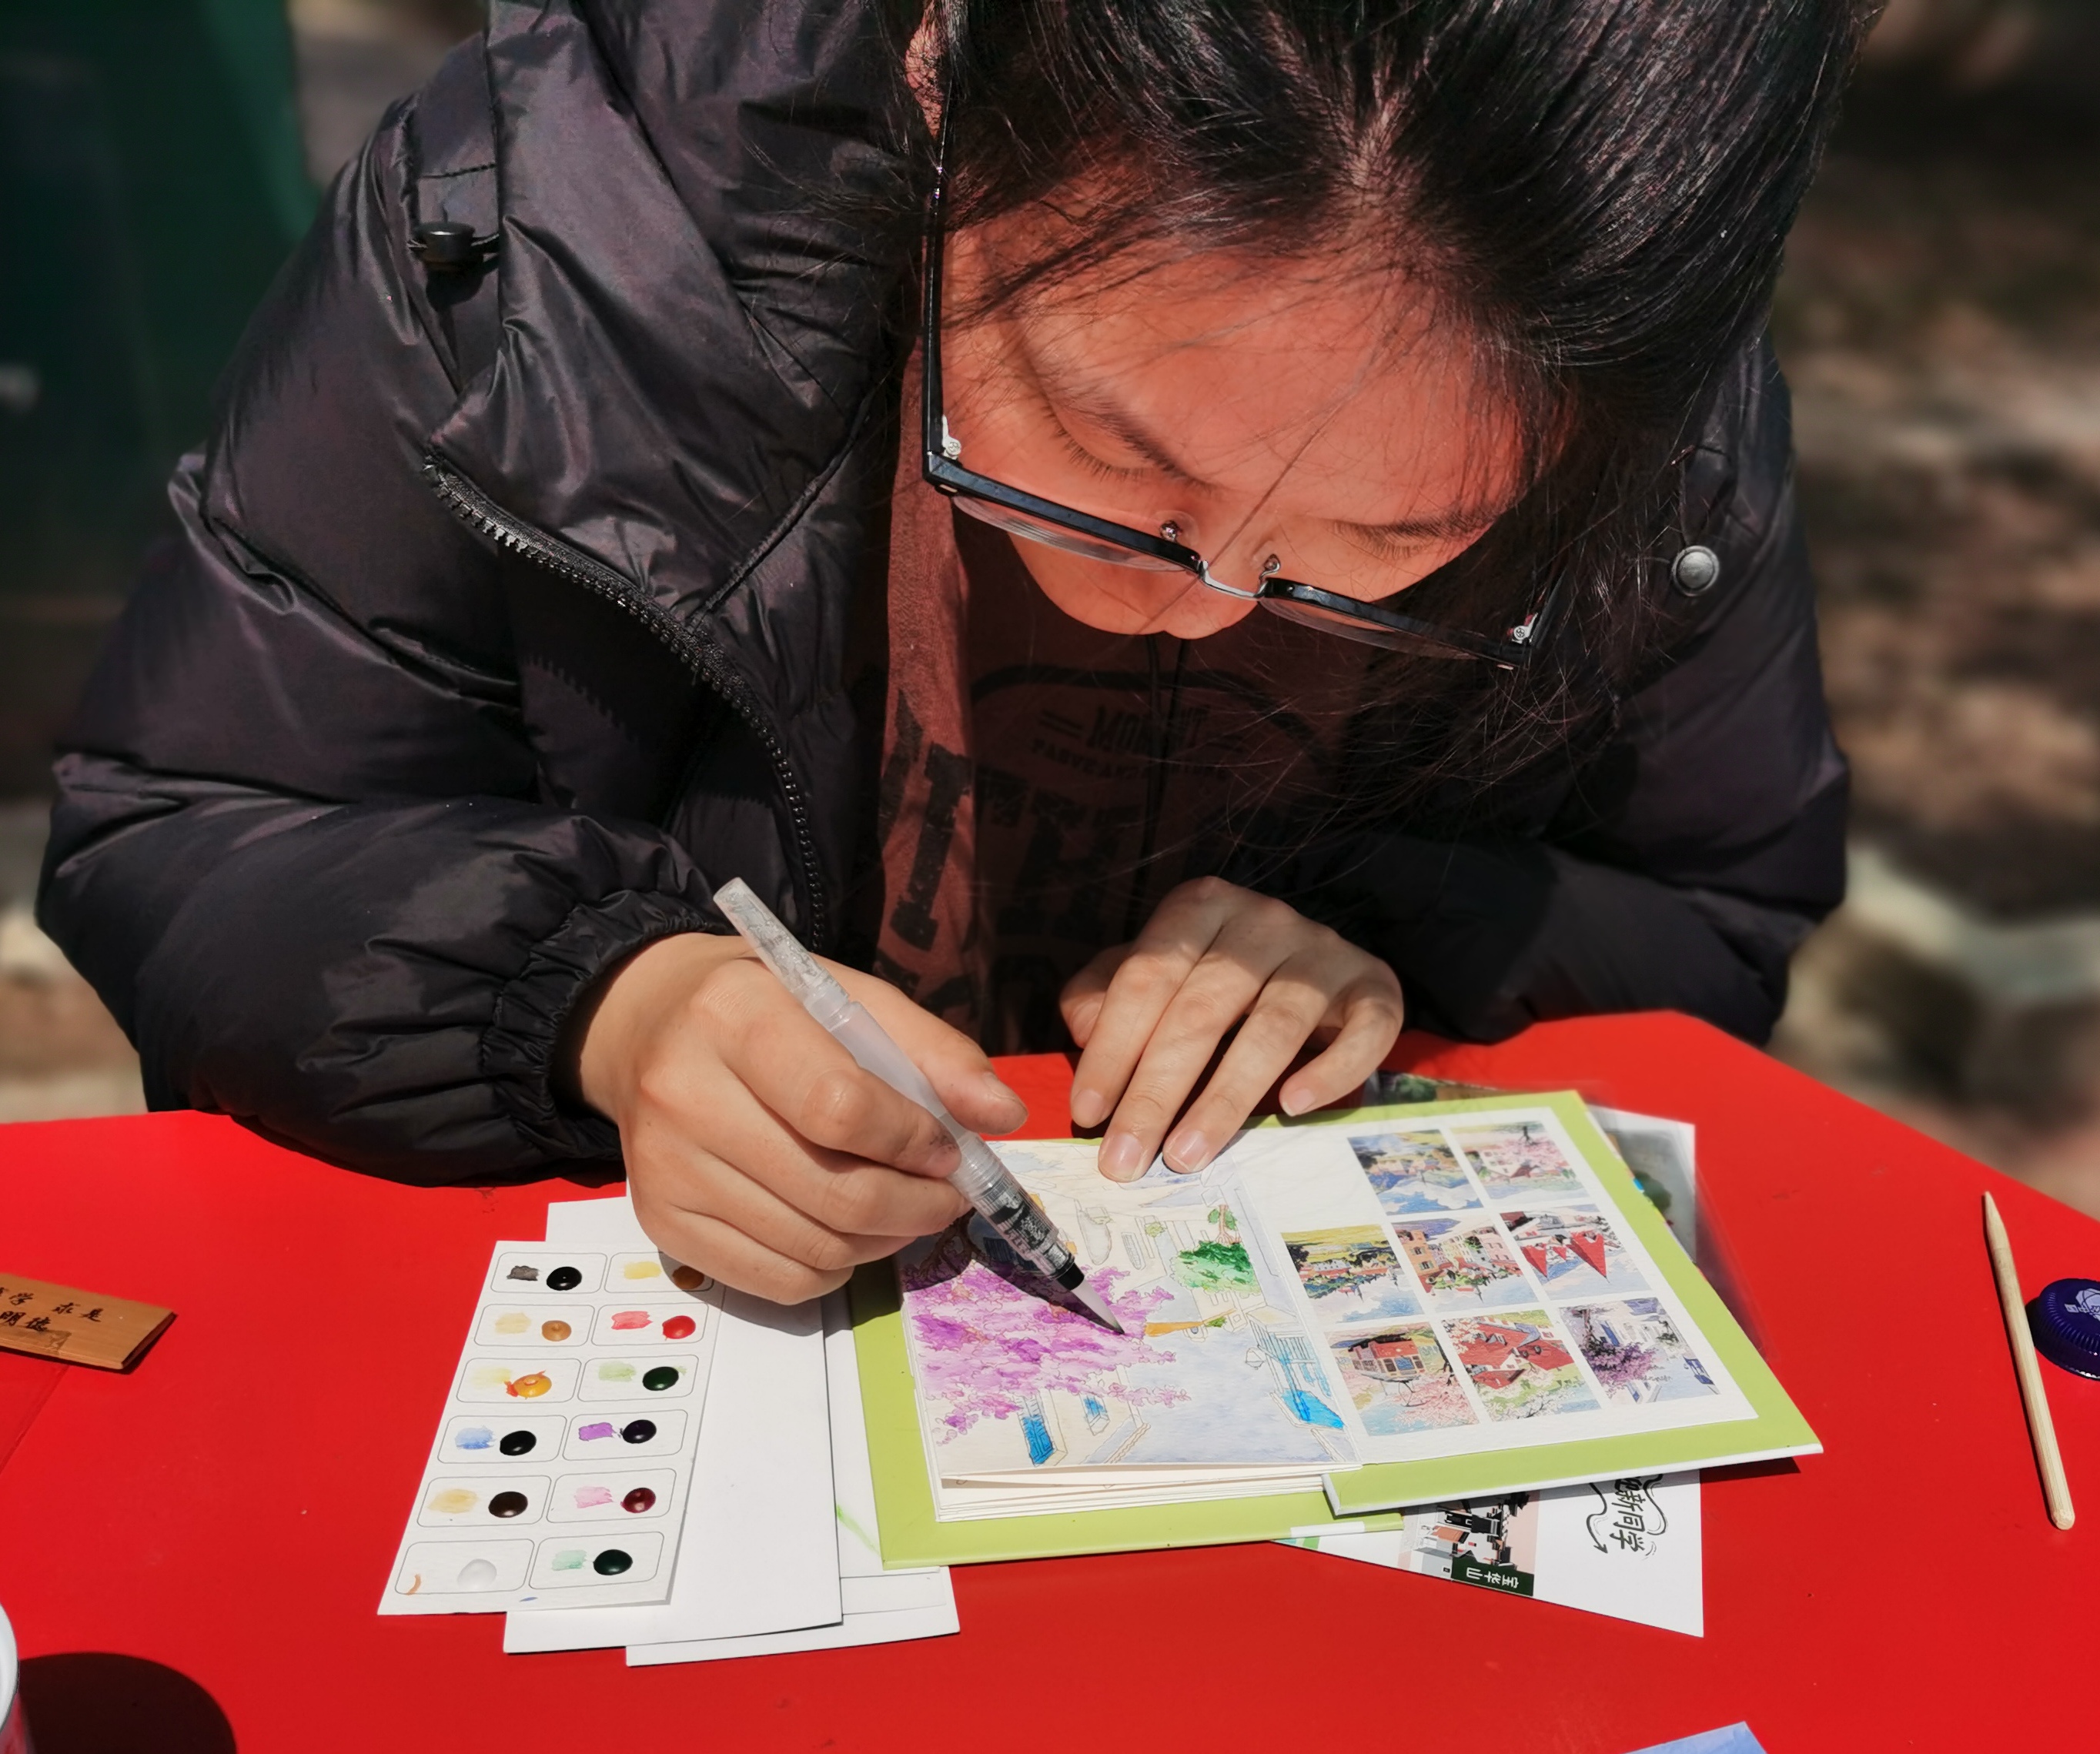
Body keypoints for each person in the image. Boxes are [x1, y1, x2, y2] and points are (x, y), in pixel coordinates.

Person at [38, 0, 1863, 1304]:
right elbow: (193, 823)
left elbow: (1711, 907)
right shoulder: (537, 237)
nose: (1201, 597)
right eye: (1108, 461)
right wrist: (596, 1004)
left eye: (1388, 549)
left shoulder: (1646, 412)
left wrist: (1409, 945)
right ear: (941, 70)